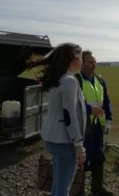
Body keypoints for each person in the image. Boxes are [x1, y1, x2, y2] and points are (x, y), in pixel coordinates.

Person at [30, 43, 87, 196]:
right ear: (74, 59)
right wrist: (79, 145)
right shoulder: (70, 81)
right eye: (81, 58)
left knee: (59, 182)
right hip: (63, 140)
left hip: (52, 137)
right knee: (64, 186)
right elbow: (70, 115)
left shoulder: (59, 78)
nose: (82, 62)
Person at [75, 50, 113, 196]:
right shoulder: (76, 80)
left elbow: (106, 101)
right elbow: (74, 104)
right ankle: (78, 191)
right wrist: (90, 109)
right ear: (82, 64)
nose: (94, 64)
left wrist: (109, 119)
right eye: (91, 62)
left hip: (98, 126)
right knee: (82, 158)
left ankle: (97, 188)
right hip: (84, 127)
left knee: (99, 156)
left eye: (95, 61)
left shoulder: (100, 80)